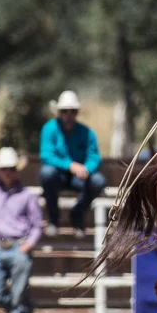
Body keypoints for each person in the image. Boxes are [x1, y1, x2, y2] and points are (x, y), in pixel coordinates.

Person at [0, 147, 42, 313]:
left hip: (19, 247)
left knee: (19, 295)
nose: (8, 172)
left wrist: (28, 246)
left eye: (11, 168)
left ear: (16, 170)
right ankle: (19, 307)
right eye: (4, 169)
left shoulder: (28, 196)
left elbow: (37, 225)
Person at [39, 90, 106, 239]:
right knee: (47, 173)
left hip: (79, 177)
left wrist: (86, 169)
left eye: (72, 111)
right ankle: (53, 218)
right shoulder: (49, 129)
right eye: (64, 111)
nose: (68, 115)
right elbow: (46, 155)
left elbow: (94, 157)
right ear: (59, 112)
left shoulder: (87, 132)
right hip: (58, 176)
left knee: (98, 181)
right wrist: (70, 165)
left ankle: (78, 213)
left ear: (77, 113)